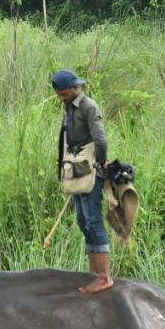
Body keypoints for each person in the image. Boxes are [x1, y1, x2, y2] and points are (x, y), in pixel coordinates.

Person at [51, 69, 113, 294]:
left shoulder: (88, 106)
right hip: (77, 170)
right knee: (82, 221)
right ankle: (94, 273)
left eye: (64, 93)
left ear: (75, 88)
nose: (61, 98)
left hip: (90, 170)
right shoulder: (69, 108)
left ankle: (104, 276)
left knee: (94, 220)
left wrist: (101, 163)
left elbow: (100, 139)